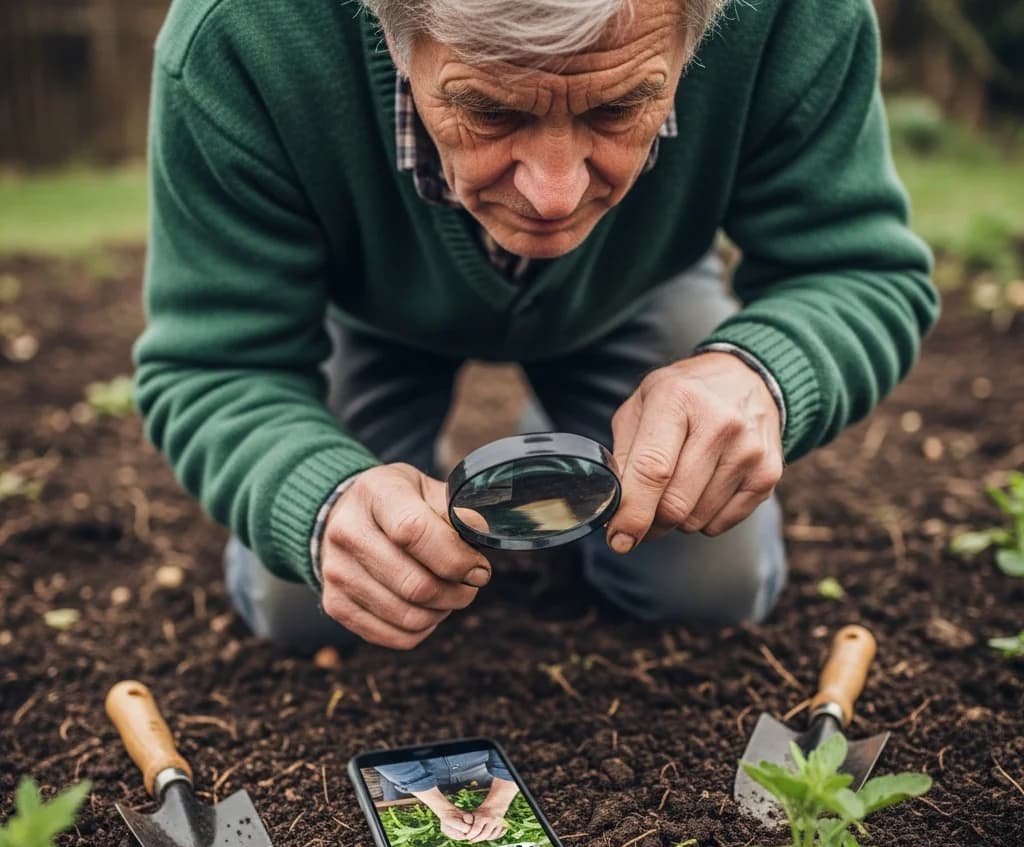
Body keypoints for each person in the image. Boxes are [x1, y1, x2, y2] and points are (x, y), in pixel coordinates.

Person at [135, 0, 938, 652]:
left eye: (621, 107)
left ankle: (570, 417)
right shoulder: (240, 35)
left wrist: (759, 373)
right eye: (489, 110)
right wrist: (316, 497)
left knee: (705, 598)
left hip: (635, 284)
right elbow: (214, 362)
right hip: (361, 297)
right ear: (391, 31)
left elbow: (858, 270)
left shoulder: (796, 15)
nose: (553, 195)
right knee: (315, 609)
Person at [375, 752, 520, 842]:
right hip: (405, 779)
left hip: (482, 768)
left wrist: (495, 807)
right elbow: (386, 753)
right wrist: (445, 811)